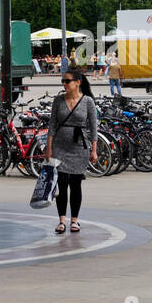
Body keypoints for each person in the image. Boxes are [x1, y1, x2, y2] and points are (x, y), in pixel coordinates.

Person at [46, 68, 98, 235]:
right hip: (60, 147)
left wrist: (94, 150)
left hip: (79, 148)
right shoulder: (58, 100)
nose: (64, 84)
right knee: (61, 183)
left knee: (75, 184)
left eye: (67, 81)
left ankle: (74, 220)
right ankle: (62, 220)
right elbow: (52, 125)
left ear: (77, 82)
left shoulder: (88, 101)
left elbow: (93, 127)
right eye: (63, 81)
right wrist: (49, 149)